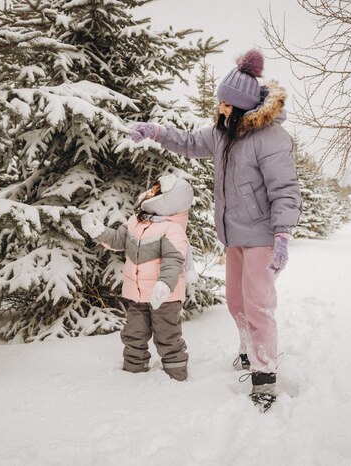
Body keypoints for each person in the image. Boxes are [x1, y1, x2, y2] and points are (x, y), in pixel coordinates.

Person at [129, 49, 302, 411]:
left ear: (241, 106)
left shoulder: (271, 138)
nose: (220, 107)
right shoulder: (223, 134)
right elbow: (190, 142)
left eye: (225, 103)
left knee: (258, 305)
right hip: (234, 235)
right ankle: (247, 349)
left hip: (262, 237)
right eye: (220, 101)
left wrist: (283, 234)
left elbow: (285, 189)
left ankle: (264, 374)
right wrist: (156, 132)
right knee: (235, 302)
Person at [80, 174, 192, 381]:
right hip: (137, 294)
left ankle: (177, 377)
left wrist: (165, 284)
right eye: (152, 189)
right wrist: (99, 232)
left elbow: (174, 259)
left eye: (156, 191)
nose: (149, 192)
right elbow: (117, 240)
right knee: (134, 333)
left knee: (167, 335)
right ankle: (133, 373)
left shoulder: (172, 228)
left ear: (170, 200)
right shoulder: (135, 221)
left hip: (164, 297)